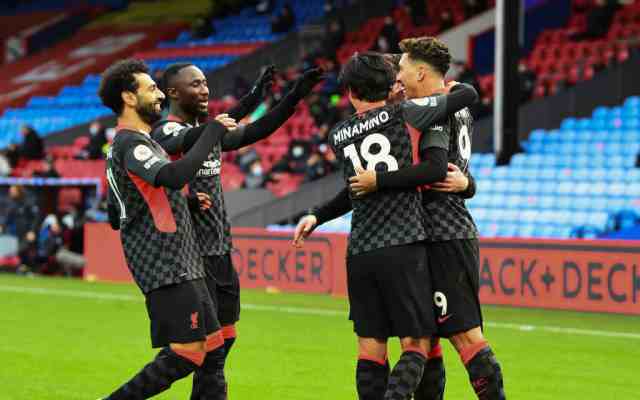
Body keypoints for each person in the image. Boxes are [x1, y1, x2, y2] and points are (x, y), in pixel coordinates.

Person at [296, 52, 476, 400]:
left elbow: (354, 189)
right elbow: (466, 98)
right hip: (403, 245)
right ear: (391, 86)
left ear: (349, 91)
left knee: (370, 349)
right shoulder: (405, 113)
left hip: (360, 250)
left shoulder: (339, 134)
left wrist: (316, 215)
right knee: (418, 343)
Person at [151, 62, 323, 398]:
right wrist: (249, 99)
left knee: (224, 341)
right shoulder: (167, 133)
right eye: (195, 84)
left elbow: (257, 130)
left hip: (220, 250)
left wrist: (292, 97)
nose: (204, 90)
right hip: (190, 255)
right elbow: (191, 141)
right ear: (173, 92)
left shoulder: (208, 133)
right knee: (199, 351)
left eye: (205, 83)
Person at [352, 38, 506, 400]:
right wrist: (469, 184)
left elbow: (437, 169)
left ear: (421, 72)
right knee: (427, 336)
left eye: (403, 69)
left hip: (444, 234)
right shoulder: (451, 101)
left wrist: (380, 181)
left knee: (465, 335)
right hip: (431, 232)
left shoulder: (437, 108)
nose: (398, 78)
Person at [98, 58, 236, 400]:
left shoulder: (136, 144)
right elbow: (173, 176)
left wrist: (182, 204)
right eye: (152, 89)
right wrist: (212, 131)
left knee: (213, 349)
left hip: (183, 261)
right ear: (129, 98)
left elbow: (118, 211)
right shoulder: (131, 144)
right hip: (166, 263)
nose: (160, 95)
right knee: (188, 353)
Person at [0, 185, 40, 273]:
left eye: (13, 191)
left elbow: (36, 218)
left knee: (21, 250)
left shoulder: (28, 202)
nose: (11, 193)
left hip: (28, 233)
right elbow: (8, 217)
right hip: (17, 234)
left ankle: (33, 269)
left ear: (19, 191)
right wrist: (2, 226)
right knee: (19, 253)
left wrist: (32, 231)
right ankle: (25, 269)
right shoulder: (13, 203)